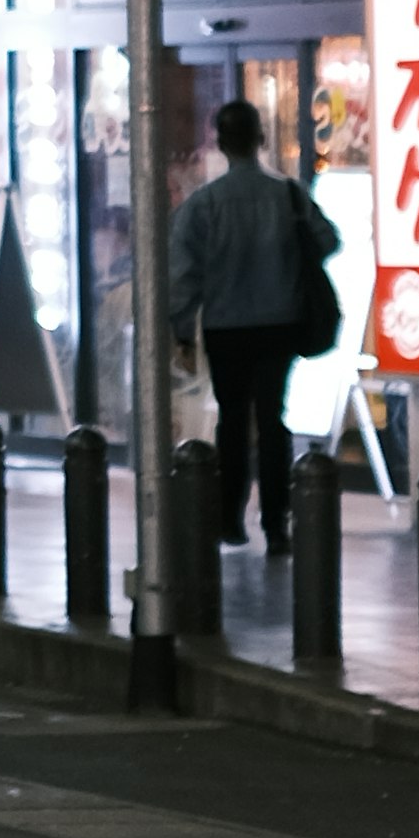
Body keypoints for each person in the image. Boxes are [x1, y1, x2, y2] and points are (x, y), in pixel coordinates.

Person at [168, 97, 341, 554]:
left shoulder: (203, 205)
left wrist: (182, 330)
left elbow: (183, 276)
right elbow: (328, 240)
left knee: (232, 419)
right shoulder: (288, 194)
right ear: (261, 139)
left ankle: (229, 518)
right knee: (272, 419)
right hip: (280, 322)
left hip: (227, 327)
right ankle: (276, 523)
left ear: (220, 143)